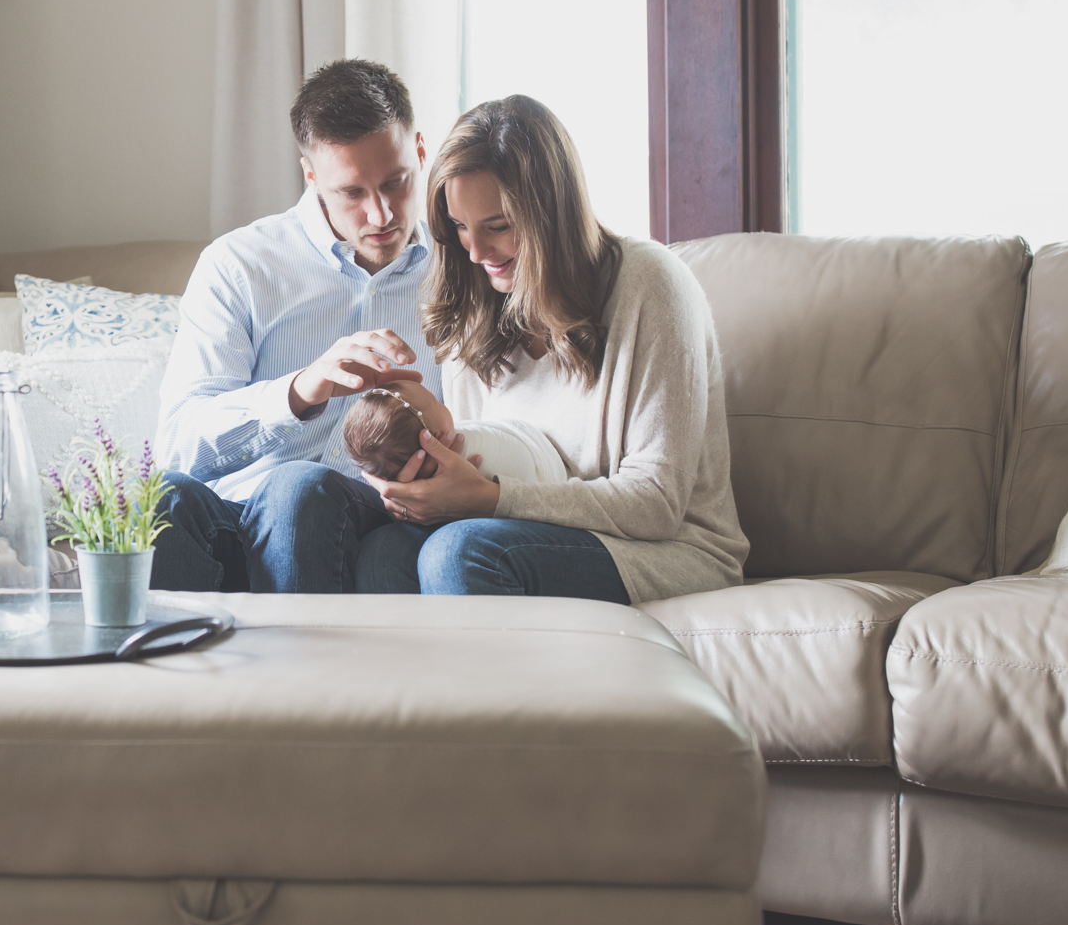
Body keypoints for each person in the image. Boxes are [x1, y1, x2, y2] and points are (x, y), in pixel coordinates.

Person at [354, 95, 748, 602]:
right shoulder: (475, 306)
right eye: (459, 227)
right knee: (383, 552)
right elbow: (477, 456)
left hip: (670, 549)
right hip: (526, 537)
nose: (475, 252)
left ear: (552, 214)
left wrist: (492, 500)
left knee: (459, 553)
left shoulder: (651, 284)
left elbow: (657, 505)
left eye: (498, 227)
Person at [151, 59, 446, 592]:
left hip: (372, 517)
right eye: (352, 193)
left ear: (420, 152)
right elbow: (176, 444)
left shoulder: (461, 272)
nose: (380, 215)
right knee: (163, 497)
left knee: (298, 489)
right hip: (238, 516)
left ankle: (294, 675)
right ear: (311, 177)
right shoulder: (239, 266)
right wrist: (295, 392)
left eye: (396, 183)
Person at [340, 381, 568, 487]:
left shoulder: (407, 488)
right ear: (435, 438)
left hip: (540, 482)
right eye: (434, 401)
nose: (441, 402)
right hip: (544, 468)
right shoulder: (466, 445)